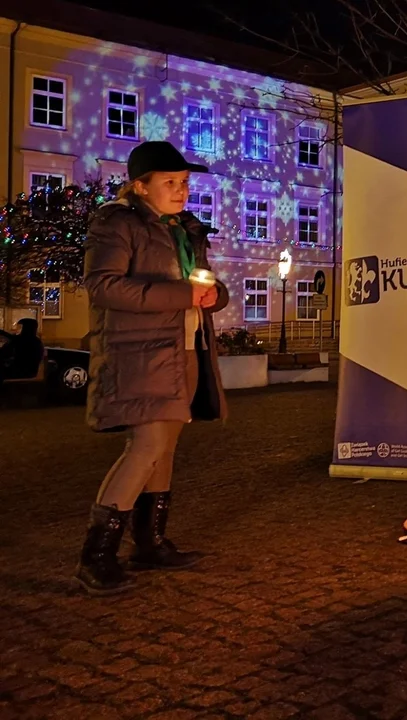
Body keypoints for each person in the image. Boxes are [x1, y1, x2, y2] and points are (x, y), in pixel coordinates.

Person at [76, 140, 230, 595]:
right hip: (140, 353)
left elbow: (205, 286)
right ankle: (96, 556)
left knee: (165, 448)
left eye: (184, 183)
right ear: (140, 186)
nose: (181, 191)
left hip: (185, 350)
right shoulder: (116, 224)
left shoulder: (184, 230)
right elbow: (104, 287)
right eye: (170, 183)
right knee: (145, 447)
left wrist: (213, 294)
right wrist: (183, 295)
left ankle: (150, 543)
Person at [0, 318, 45, 382]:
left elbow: (4, 351)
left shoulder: (24, 340)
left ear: (26, 328)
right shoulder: (36, 341)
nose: (16, 330)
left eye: (19, 327)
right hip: (28, 371)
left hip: (21, 371)